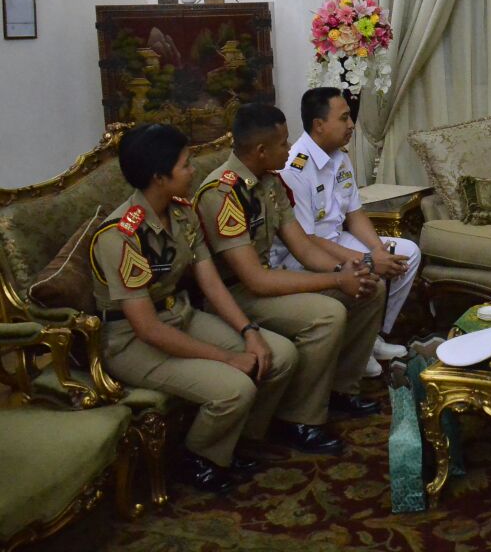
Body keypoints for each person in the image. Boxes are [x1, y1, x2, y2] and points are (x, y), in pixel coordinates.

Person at [89, 124, 298, 494]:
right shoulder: (120, 236)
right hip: (131, 342)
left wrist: (249, 332)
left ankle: (236, 442)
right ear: (159, 176)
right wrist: (227, 358)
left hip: (180, 316)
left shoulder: (182, 213)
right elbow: (148, 329)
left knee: (280, 354)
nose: (193, 171)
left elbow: (211, 283)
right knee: (234, 387)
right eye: (185, 165)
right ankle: (197, 459)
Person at [194, 104, 385, 456]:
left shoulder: (269, 181)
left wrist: (345, 273)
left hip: (267, 282)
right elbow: (255, 280)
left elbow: (304, 248)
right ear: (261, 150)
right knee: (327, 314)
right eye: (283, 143)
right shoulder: (222, 193)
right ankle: (298, 419)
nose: (289, 147)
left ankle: (340, 389)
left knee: (370, 288)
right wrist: (335, 282)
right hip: (233, 295)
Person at [273, 87, 420, 378]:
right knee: (371, 268)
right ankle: (358, 346)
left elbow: (354, 214)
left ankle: (374, 336)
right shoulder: (294, 168)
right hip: (302, 255)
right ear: (319, 125)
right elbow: (306, 240)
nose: (351, 125)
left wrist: (377, 249)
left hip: (335, 239)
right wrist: (367, 259)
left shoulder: (339, 156)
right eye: (344, 118)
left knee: (408, 253)